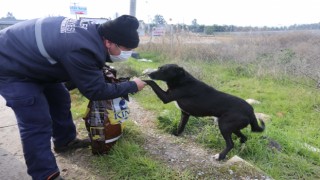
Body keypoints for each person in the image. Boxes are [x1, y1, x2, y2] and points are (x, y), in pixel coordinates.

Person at [0, 14, 146, 180]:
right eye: (126, 50)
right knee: (36, 120)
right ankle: (46, 175)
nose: (127, 54)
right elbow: (95, 91)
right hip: (10, 66)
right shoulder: (81, 48)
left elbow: (81, 69)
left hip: (36, 61)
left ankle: (64, 141)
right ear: (109, 42)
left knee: (60, 98)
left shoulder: (92, 35)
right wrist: (133, 86)